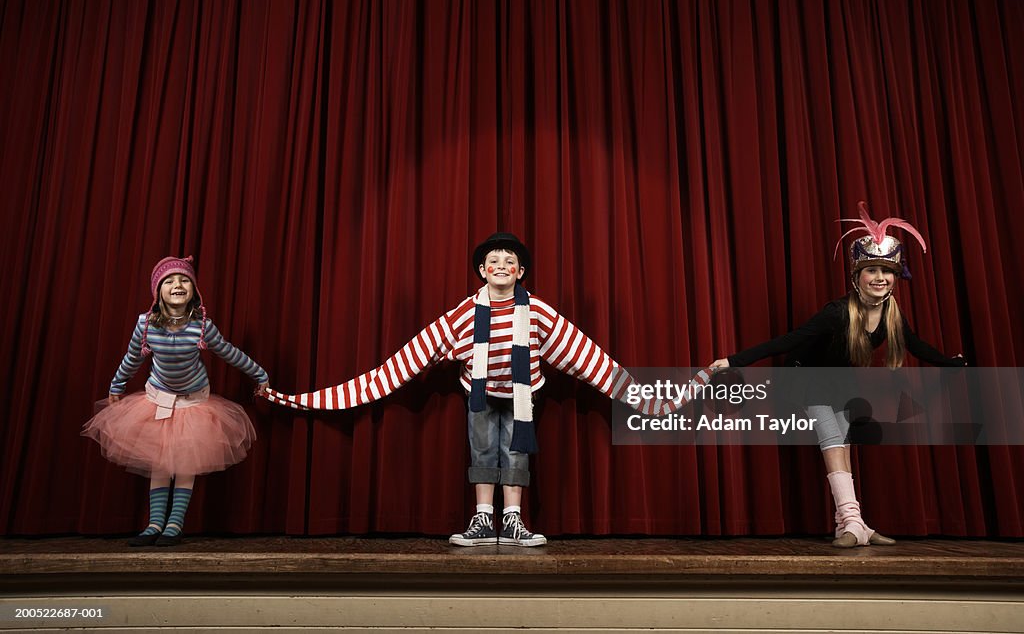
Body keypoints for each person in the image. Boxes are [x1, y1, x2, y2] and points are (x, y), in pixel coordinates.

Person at [264, 233, 687, 546]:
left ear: (520, 272)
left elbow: (586, 357)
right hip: (480, 396)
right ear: (482, 271)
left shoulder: (536, 311)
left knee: (516, 451)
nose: (501, 265)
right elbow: (404, 362)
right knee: (484, 450)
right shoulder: (464, 314)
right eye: (493, 261)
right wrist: (311, 398)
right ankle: (484, 518)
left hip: (523, 397)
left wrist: (652, 401)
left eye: (509, 261)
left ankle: (514, 519)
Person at [710, 203, 966, 547]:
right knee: (833, 440)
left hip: (838, 383)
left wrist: (952, 364)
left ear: (896, 277)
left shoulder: (891, 314)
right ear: (856, 276)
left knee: (842, 445)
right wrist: (732, 360)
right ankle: (852, 521)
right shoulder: (836, 313)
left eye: (887, 271)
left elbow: (917, 346)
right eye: (871, 270)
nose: (880, 277)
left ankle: (851, 524)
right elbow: (788, 341)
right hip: (806, 378)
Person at [83, 256, 269, 546]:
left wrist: (259, 374)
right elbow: (132, 359)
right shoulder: (145, 325)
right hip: (158, 398)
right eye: (169, 281)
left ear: (194, 290)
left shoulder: (202, 326)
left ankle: (174, 524)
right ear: (158, 292)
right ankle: (154, 523)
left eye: (184, 280)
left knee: (184, 464)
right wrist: (116, 385)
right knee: (159, 464)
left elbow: (229, 352)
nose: (177, 285)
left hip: (193, 402)